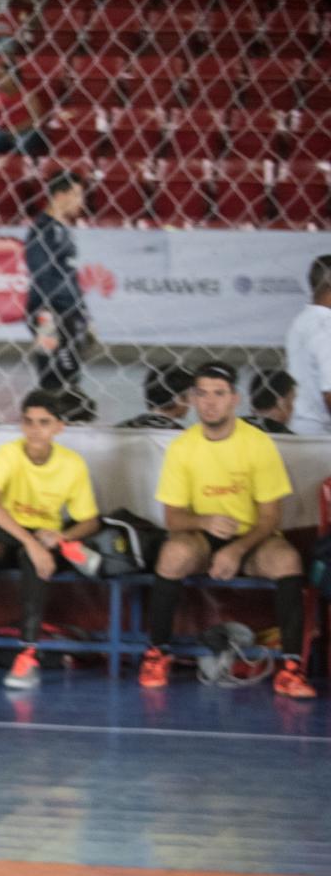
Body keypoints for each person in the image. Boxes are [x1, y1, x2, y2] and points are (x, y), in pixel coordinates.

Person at [138, 363, 314, 699]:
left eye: (218, 394)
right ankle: (158, 652)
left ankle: (291, 667)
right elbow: (173, 519)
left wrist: (236, 549)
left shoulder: (258, 444)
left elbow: (271, 517)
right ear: (192, 399)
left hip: (251, 539)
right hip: (202, 539)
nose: (210, 402)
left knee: (287, 560)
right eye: (202, 393)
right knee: (172, 554)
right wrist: (204, 522)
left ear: (234, 399)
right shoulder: (183, 447)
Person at [0, 389, 102, 690]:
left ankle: (27, 655)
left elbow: (90, 521)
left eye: (44, 422)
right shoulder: (9, 453)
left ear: (59, 427)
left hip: (44, 543)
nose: (35, 430)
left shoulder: (72, 464)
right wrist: (30, 541)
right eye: (29, 422)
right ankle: (49, 548)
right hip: (11, 536)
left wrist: (62, 536)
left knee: (32, 561)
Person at [26, 171, 90, 393]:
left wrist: (83, 311)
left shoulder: (63, 230)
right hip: (52, 312)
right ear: (60, 195)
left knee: (70, 371)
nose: (81, 201)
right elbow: (40, 272)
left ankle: (65, 406)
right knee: (54, 372)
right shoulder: (43, 230)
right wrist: (46, 317)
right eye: (77, 195)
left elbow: (70, 275)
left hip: (69, 311)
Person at [283, 254, 331, 436]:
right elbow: (329, 393)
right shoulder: (326, 326)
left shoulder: (302, 320)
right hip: (321, 434)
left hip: (298, 425)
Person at [0, 67, 49, 156]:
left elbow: (36, 119)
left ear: (13, 78)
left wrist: (13, 131)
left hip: (25, 131)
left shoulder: (27, 94)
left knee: (22, 144)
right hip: (2, 131)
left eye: (1, 76)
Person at [116, 366, 193, 430]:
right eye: (191, 395)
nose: (192, 402)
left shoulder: (120, 429)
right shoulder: (180, 435)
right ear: (178, 398)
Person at [245, 369, 296, 436]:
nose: (293, 408)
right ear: (281, 403)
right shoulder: (289, 438)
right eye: (291, 400)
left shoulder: (236, 426)